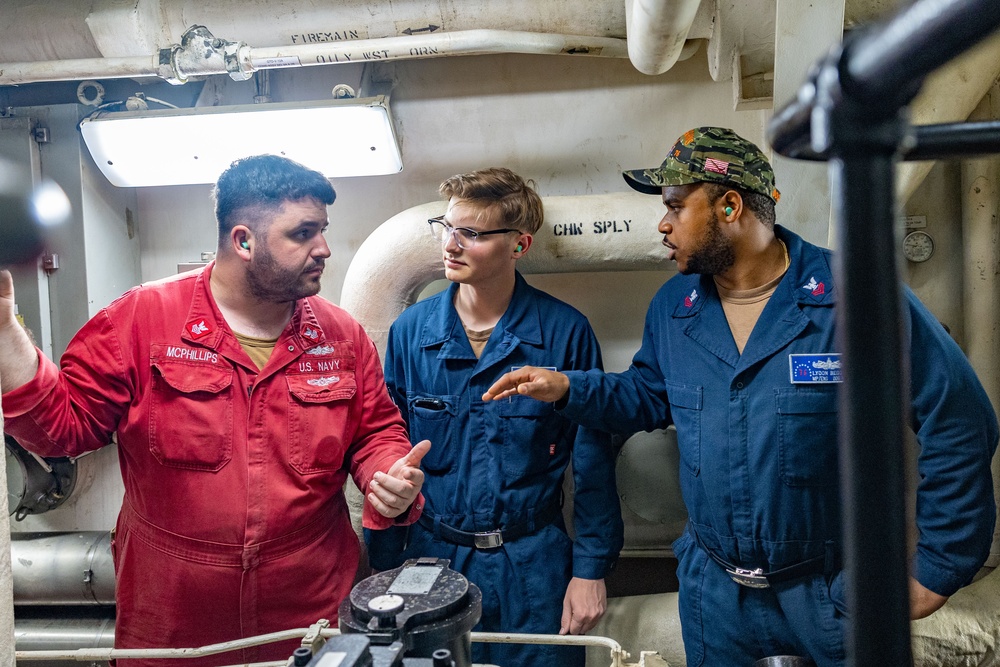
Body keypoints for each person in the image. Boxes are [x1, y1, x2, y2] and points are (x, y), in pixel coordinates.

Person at [482, 127, 999, 666]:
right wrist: (568, 387)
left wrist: (938, 567)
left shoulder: (857, 294)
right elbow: (648, 394)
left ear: (729, 205)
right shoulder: (675, 306)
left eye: (677, 207)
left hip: (833, 590)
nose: (663, 224)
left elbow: (958, 419)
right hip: (717, 596)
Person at [0, 155, 428, 667]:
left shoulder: (340, 336)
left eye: (324, 230)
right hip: (174, 620)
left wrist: (387, 471)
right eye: (303, 233)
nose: (324, 249)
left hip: (308, 614)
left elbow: (374, 430)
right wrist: (5, 327)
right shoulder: (140, 322)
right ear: (243, 241)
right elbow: (59, 429)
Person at [365, 167, 624, 666]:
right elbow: (386, 444)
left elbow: (593, 461)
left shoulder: (564, 333)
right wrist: (383, 558)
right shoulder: (412, 333)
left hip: (534, 564)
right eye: (446, 227)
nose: (451, 244)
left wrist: (589, 570)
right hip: (432, 559)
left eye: (473, 234)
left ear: (519, 245)